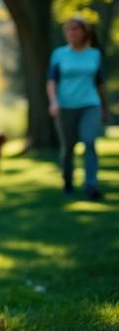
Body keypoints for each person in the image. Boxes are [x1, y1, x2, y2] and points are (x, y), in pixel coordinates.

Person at [47, 15, 109, 200]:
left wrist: (104, 107)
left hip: (90, 104)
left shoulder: (94, 55)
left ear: (84, 32)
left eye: (76, 29)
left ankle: (91, 185)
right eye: (69, 29)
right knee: (68, 147)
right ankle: (67, 180)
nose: (72, 32)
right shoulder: (59, 54)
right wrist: (53, 101)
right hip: (65, 106)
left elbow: (99, 83)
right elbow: (51, 81)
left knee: (89, 142)